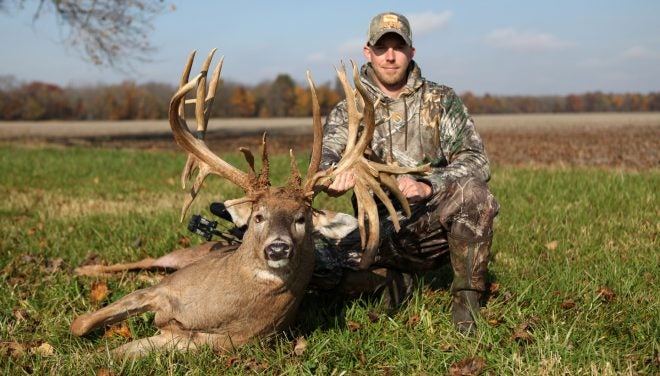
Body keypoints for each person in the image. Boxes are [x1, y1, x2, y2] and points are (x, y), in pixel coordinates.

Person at [313, 11, 500, 335]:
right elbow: (326, 155)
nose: (390, 56)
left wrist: (428, 185)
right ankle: (388, 281)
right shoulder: (349, 109)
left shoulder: (441, 100)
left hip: (431, 230)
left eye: (397, 47)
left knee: (474, 194)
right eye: (381, 47)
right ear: (367, 52)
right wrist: (331, 176)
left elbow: (476, 159)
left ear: (411, 52)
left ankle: (466, 302)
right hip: (377, 235)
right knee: (303, 262)